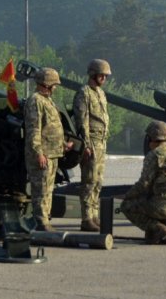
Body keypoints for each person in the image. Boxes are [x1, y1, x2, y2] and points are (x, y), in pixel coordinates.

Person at [24, 67, 73, 231]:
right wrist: (38, 152)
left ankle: (45, 220)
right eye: (54, 84)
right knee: (41, 190)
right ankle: (41, 222)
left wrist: (63, 145)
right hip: (43, 154)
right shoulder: (36, 101)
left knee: (48, 189)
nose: (56, 87)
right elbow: (34, 129)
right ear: (47, 84)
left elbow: (51, 128)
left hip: (52, 153)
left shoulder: (48, 101)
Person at [73, 59, 111, 232]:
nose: (104, 78)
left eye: (105, 75)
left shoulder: (101, 94)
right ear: (93, 74)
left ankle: (94, 216)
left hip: (102, 142)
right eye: (101, 75)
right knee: (89, 181)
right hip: (92, 142)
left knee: (98, 182)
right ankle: (86, 218)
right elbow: (82, 121)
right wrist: (87, 145)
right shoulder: (84, 93)